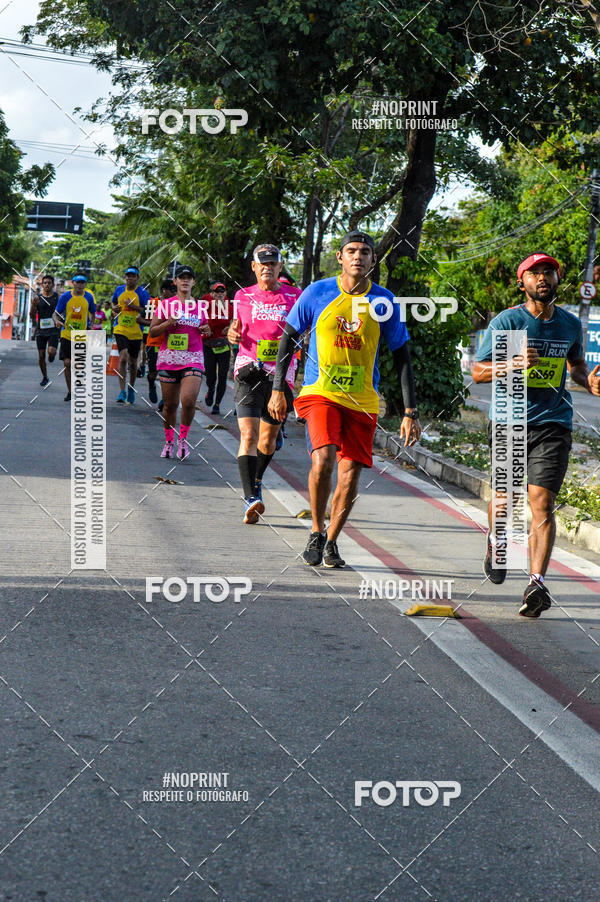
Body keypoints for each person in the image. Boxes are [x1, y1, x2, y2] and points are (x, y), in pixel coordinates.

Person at [268, 230, 421, 568]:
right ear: (340, 257)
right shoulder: (317, 292)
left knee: (350, 474)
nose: (358, 256)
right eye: (351, 251)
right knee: (323, 459)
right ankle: (317, 530)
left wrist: (410, 411)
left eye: (365, 252)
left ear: (372, 259)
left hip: (363, 400)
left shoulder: (384, 302)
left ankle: (333, 539)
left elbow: (402, 356)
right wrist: (279, 387)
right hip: (320, 392)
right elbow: (288, 339)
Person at [473, 252, 600, 617]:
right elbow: (479, 372)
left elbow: (576, 366)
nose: (542, 278)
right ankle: (497, 540)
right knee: (506, 501)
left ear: (558, 281)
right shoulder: (508, 321)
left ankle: (537, 583)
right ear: (522, 282)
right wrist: (512, 363)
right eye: (534, 273)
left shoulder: (569, 325)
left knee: (541, 503)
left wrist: (588, 382)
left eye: (549, 272)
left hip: (553, 422)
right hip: (509, 421)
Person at [227, 243, 301, 523]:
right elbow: (236, 327)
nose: (268, 268)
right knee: (249, 435)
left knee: (268, 441)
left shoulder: (295, 296)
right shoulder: (242, 296)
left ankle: (256, 480)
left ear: (280, 266)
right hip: (248, 367)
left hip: (281, 374)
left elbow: (303, 331)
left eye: (273, 264)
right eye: (263, 264)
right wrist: (232, 334)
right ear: (254, 267)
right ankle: (251, 497)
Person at [149, 265, 210, 460]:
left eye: (189, 278)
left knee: (189, 401)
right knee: (170, 405)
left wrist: (206, 331)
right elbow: (153, 332)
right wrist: (168, 323)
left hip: (193, 358)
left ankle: (183, 440)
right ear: (175, 281)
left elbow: (205, 330)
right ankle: (169, 442)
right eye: (181, 278)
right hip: (169, 359)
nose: (185, 281)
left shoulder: (201, 307)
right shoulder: (165, 305)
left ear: (194, 282)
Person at [53, 274, 96, 401]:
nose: (80, 285)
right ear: (73, 283)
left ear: (85, 284)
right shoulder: (65, 296)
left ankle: (79, 381)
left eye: (83, 282)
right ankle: (70, 392)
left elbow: (93, 312)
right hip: (67, 334)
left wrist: (92, 324)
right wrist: (57, 321)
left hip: (82, 336)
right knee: (67, 363)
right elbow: (56, 314)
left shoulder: (88, 297)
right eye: (78, 282)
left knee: (78, 365)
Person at [111, 266, 150, 404]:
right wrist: (114, 308)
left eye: (132, 276)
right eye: (127, 275)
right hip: (120, 328)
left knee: (133, 363)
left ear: (137, 278)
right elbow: (114, 303)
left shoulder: (143, 293)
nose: (129, 278)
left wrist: (134, 307)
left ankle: (131, 388)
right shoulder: (119, 290)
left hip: (136, 332)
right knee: (122, 357)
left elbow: (148, 310)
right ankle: (122, 391)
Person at [202, 280, 232, 415]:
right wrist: (204, 327)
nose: (220, 294)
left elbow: (236, 321)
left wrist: (230, 327)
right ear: (212, 293)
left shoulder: (230, 306)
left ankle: (217, 404)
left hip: (223, 345)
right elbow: (198, 318)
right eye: (217, 292)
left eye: (222, 291)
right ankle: (210, 389)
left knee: (222, 376)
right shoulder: (205, 303)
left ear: (225, 293)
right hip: (208, 345)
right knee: (210, 376)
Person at [146, 279, 174, 406]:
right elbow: (140, 318)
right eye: (171, 290)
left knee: (167, 373)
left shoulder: (177, 304)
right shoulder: (153, 303)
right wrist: (158, 324)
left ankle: (164, 399)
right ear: (164, 290)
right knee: (153, 373)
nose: (174, 293)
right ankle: (151, 384)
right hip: (154, 343)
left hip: (170, 344)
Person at [29, 273, 60, 386]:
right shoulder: (38, 298)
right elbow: (31, 315)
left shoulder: (57, 297)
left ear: (53, 285)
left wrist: (59, 321)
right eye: (45, 283)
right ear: (42, 285)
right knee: (41, 355)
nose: (47, 285)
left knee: (51, 352)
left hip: (53, 330)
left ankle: (52, 356)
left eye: (49, 283)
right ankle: (45, 377)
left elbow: (62, 312)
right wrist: (33, 305)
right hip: (41, 330)